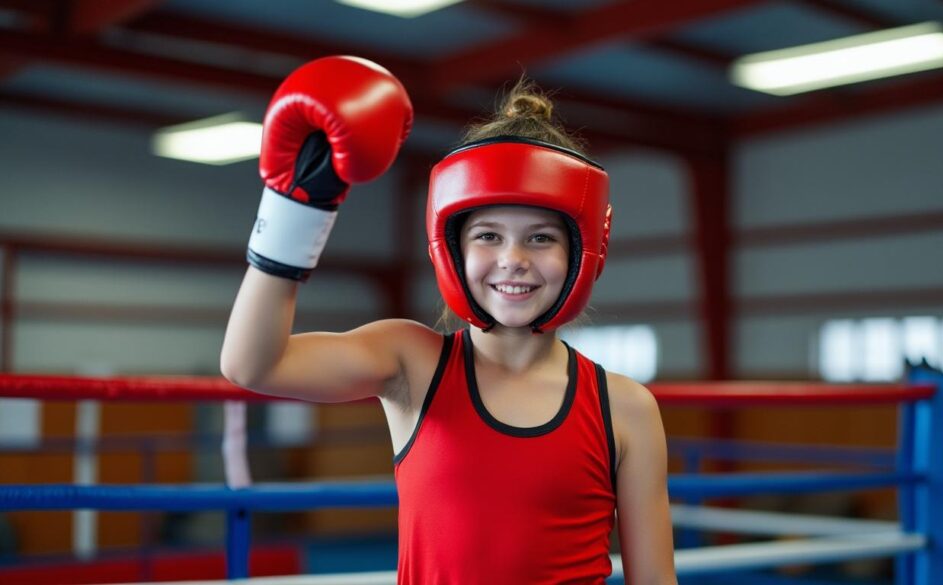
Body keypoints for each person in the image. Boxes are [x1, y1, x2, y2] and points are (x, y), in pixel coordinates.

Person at [221, 55, 677, 584]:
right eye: (488, 235)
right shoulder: (413, 363)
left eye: (541, 237)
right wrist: (298, 210)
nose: (514, 259)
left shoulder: (624, 408)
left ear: (585, 249)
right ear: (451, 249)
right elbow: (253, 365)